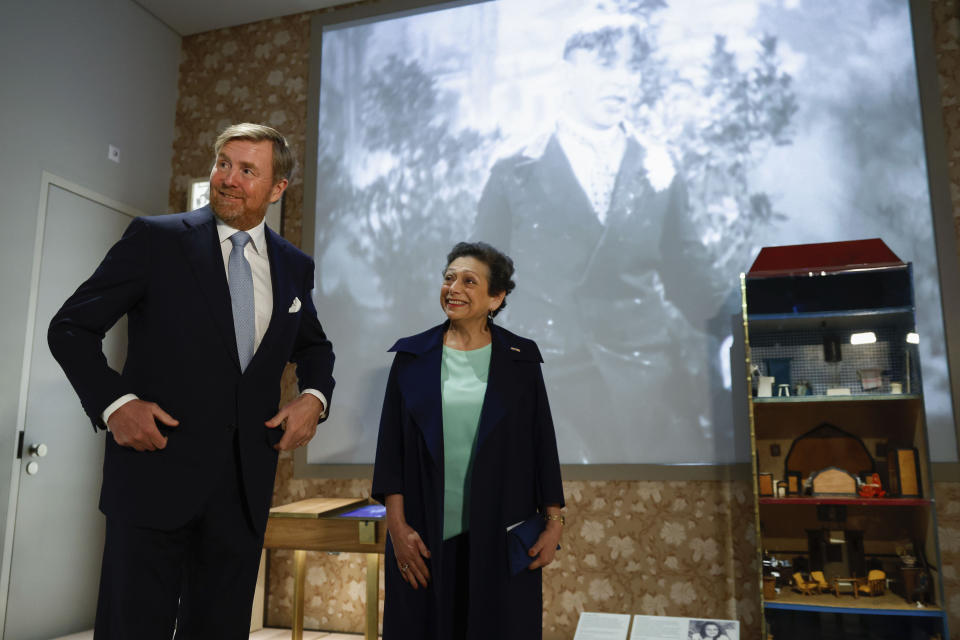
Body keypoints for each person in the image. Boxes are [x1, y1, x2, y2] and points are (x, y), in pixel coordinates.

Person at [47, 123, 335, 639]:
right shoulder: (156, 239)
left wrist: (314, 397)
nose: (228, 178)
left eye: (248, 170)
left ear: (277, 189)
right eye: (223, 163)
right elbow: (69, 327)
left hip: (242, 492)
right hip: (153, 478)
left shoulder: (295, 267)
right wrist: (115, 403)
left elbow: (313, 345)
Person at [474, 10, 725, 462]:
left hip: (645, 379)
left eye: (632, 68)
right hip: (548, 376)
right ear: (568, 73)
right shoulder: (515, 169)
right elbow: (480, 283)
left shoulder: (659, 169)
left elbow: (688, 275)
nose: (622, 82)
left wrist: (743, 327)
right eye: (606, 65)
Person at [371, 241, 564, 639]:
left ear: (497, 297)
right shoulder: (411, 356)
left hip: (502, 536)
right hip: (424, 537)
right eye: (448, 278)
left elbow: (542, 444)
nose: (453, 287)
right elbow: (391, 452)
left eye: (469, 281)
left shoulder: (521, 358)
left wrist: (554, 523)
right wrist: (397, 528)